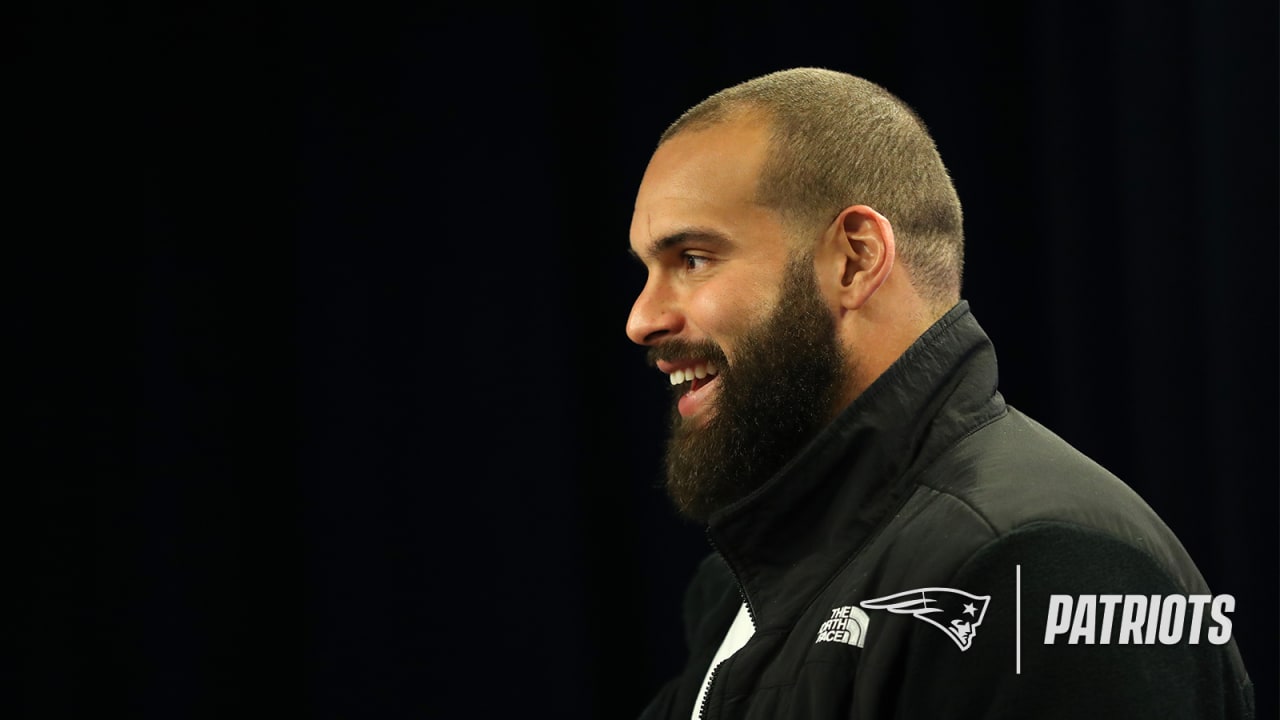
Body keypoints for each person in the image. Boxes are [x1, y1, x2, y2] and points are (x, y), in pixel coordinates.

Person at [624, 67, 1254, 719]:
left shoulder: (1042, 566)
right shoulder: (741, 586)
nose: (641, 319)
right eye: (646, 269)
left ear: (855, 260)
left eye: (692, 259)